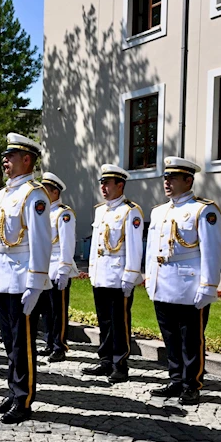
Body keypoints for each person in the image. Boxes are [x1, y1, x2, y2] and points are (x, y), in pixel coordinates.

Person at [145, 157, 221, 405]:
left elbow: (212, 250)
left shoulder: (203, 209)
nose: (167, 182)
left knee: (191, 337)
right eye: (166, 178)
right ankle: (176, 379)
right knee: (170, 336)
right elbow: (151, 250)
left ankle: (192, 384)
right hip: (163, 281)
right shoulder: (159, 211)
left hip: (189, 285)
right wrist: (149, 278)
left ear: (188, 180)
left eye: (173, 178)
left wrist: (208, 286)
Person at [0, 134, 52, 423]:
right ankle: (13, 392)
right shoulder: (3, 194)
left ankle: (23, 400)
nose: (5, 161)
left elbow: (41, 242)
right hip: (2, 277)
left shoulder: (34, 195)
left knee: (21, 344)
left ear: (27, 160)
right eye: (5, 156)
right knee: (8, 341)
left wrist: (36, 284)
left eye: (11, 157)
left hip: (21, 279)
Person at [83, 164, 144, 384]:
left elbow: (135, 247)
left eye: (107, 183)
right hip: (101, 275)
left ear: (120, 185)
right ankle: (105, 360)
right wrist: (92, 270)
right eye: (102, 183)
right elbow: (95, 246)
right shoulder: (101, 210)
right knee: (104, 322)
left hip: (119, 277)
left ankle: (120, 364)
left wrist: (130, 276)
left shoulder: (130, 211)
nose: (103, 187)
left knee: (120, 323)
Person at [34, 172, 79, 362]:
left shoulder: (63, 213)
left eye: (46, 190)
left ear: (55, 192)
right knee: (46, 310)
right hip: (43, 267)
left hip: (57, 266)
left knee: (58, 310)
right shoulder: (42, 212)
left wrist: (64, 269)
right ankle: (49, 342)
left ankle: (59, 346)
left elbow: (67, 244)